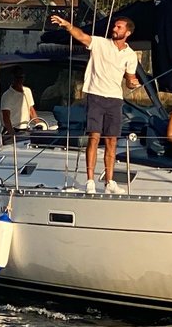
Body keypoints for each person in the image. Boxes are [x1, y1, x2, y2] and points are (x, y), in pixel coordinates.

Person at [50, 14, 140, 193]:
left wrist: (133, 82)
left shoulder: (131, 55)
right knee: (94, 137)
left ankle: (109, 182)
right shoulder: (100, 43)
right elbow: (82, 36)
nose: (115, 29)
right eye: (115, 26)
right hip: (95, 95)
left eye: (119, 27)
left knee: (112, 140)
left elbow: (129, 79)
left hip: (115, 99)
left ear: (127, 32)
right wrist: (68, 26)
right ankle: (90, 181)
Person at [0, 66, 39, 145]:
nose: (20, 79)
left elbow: (31, 110)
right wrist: (12, 134)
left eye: (21, 77)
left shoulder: (27, 91)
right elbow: (6, 117)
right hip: (12, 130)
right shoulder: (7, 95)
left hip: (26, 130)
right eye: (17, 77)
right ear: (13, 78)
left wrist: (39, 124)